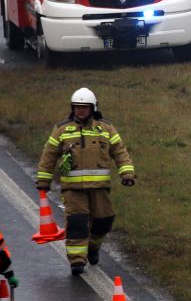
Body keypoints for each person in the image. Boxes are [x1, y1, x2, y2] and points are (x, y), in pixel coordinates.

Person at [35, 88, 136, 274]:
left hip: (100, 188)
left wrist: (127, 174)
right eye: (77, 107)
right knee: (77, 223)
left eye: (84, 107)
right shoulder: (62, 130)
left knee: (104, 221)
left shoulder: (105, 129)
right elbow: (48, 155)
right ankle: (77, 261)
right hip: (73, 190)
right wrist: (43, 180)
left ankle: (93, 247)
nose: (80, 110)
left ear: (93, 108)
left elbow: (120, 152)